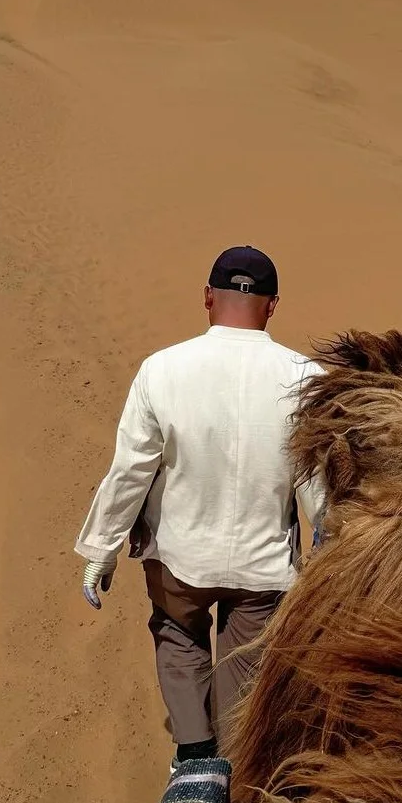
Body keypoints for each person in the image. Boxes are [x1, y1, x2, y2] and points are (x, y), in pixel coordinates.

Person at [74, 246, 324, 768]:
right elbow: (316, 487)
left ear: (208, 297)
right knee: (244, 668)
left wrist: (101, 547)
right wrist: (329, 553)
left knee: (178, 635)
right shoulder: (308, 379)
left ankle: (193, 756)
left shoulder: (162, 370)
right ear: (272, 306)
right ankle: (232, 766)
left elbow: (132, 470)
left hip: (180, 561)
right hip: (263, 568)